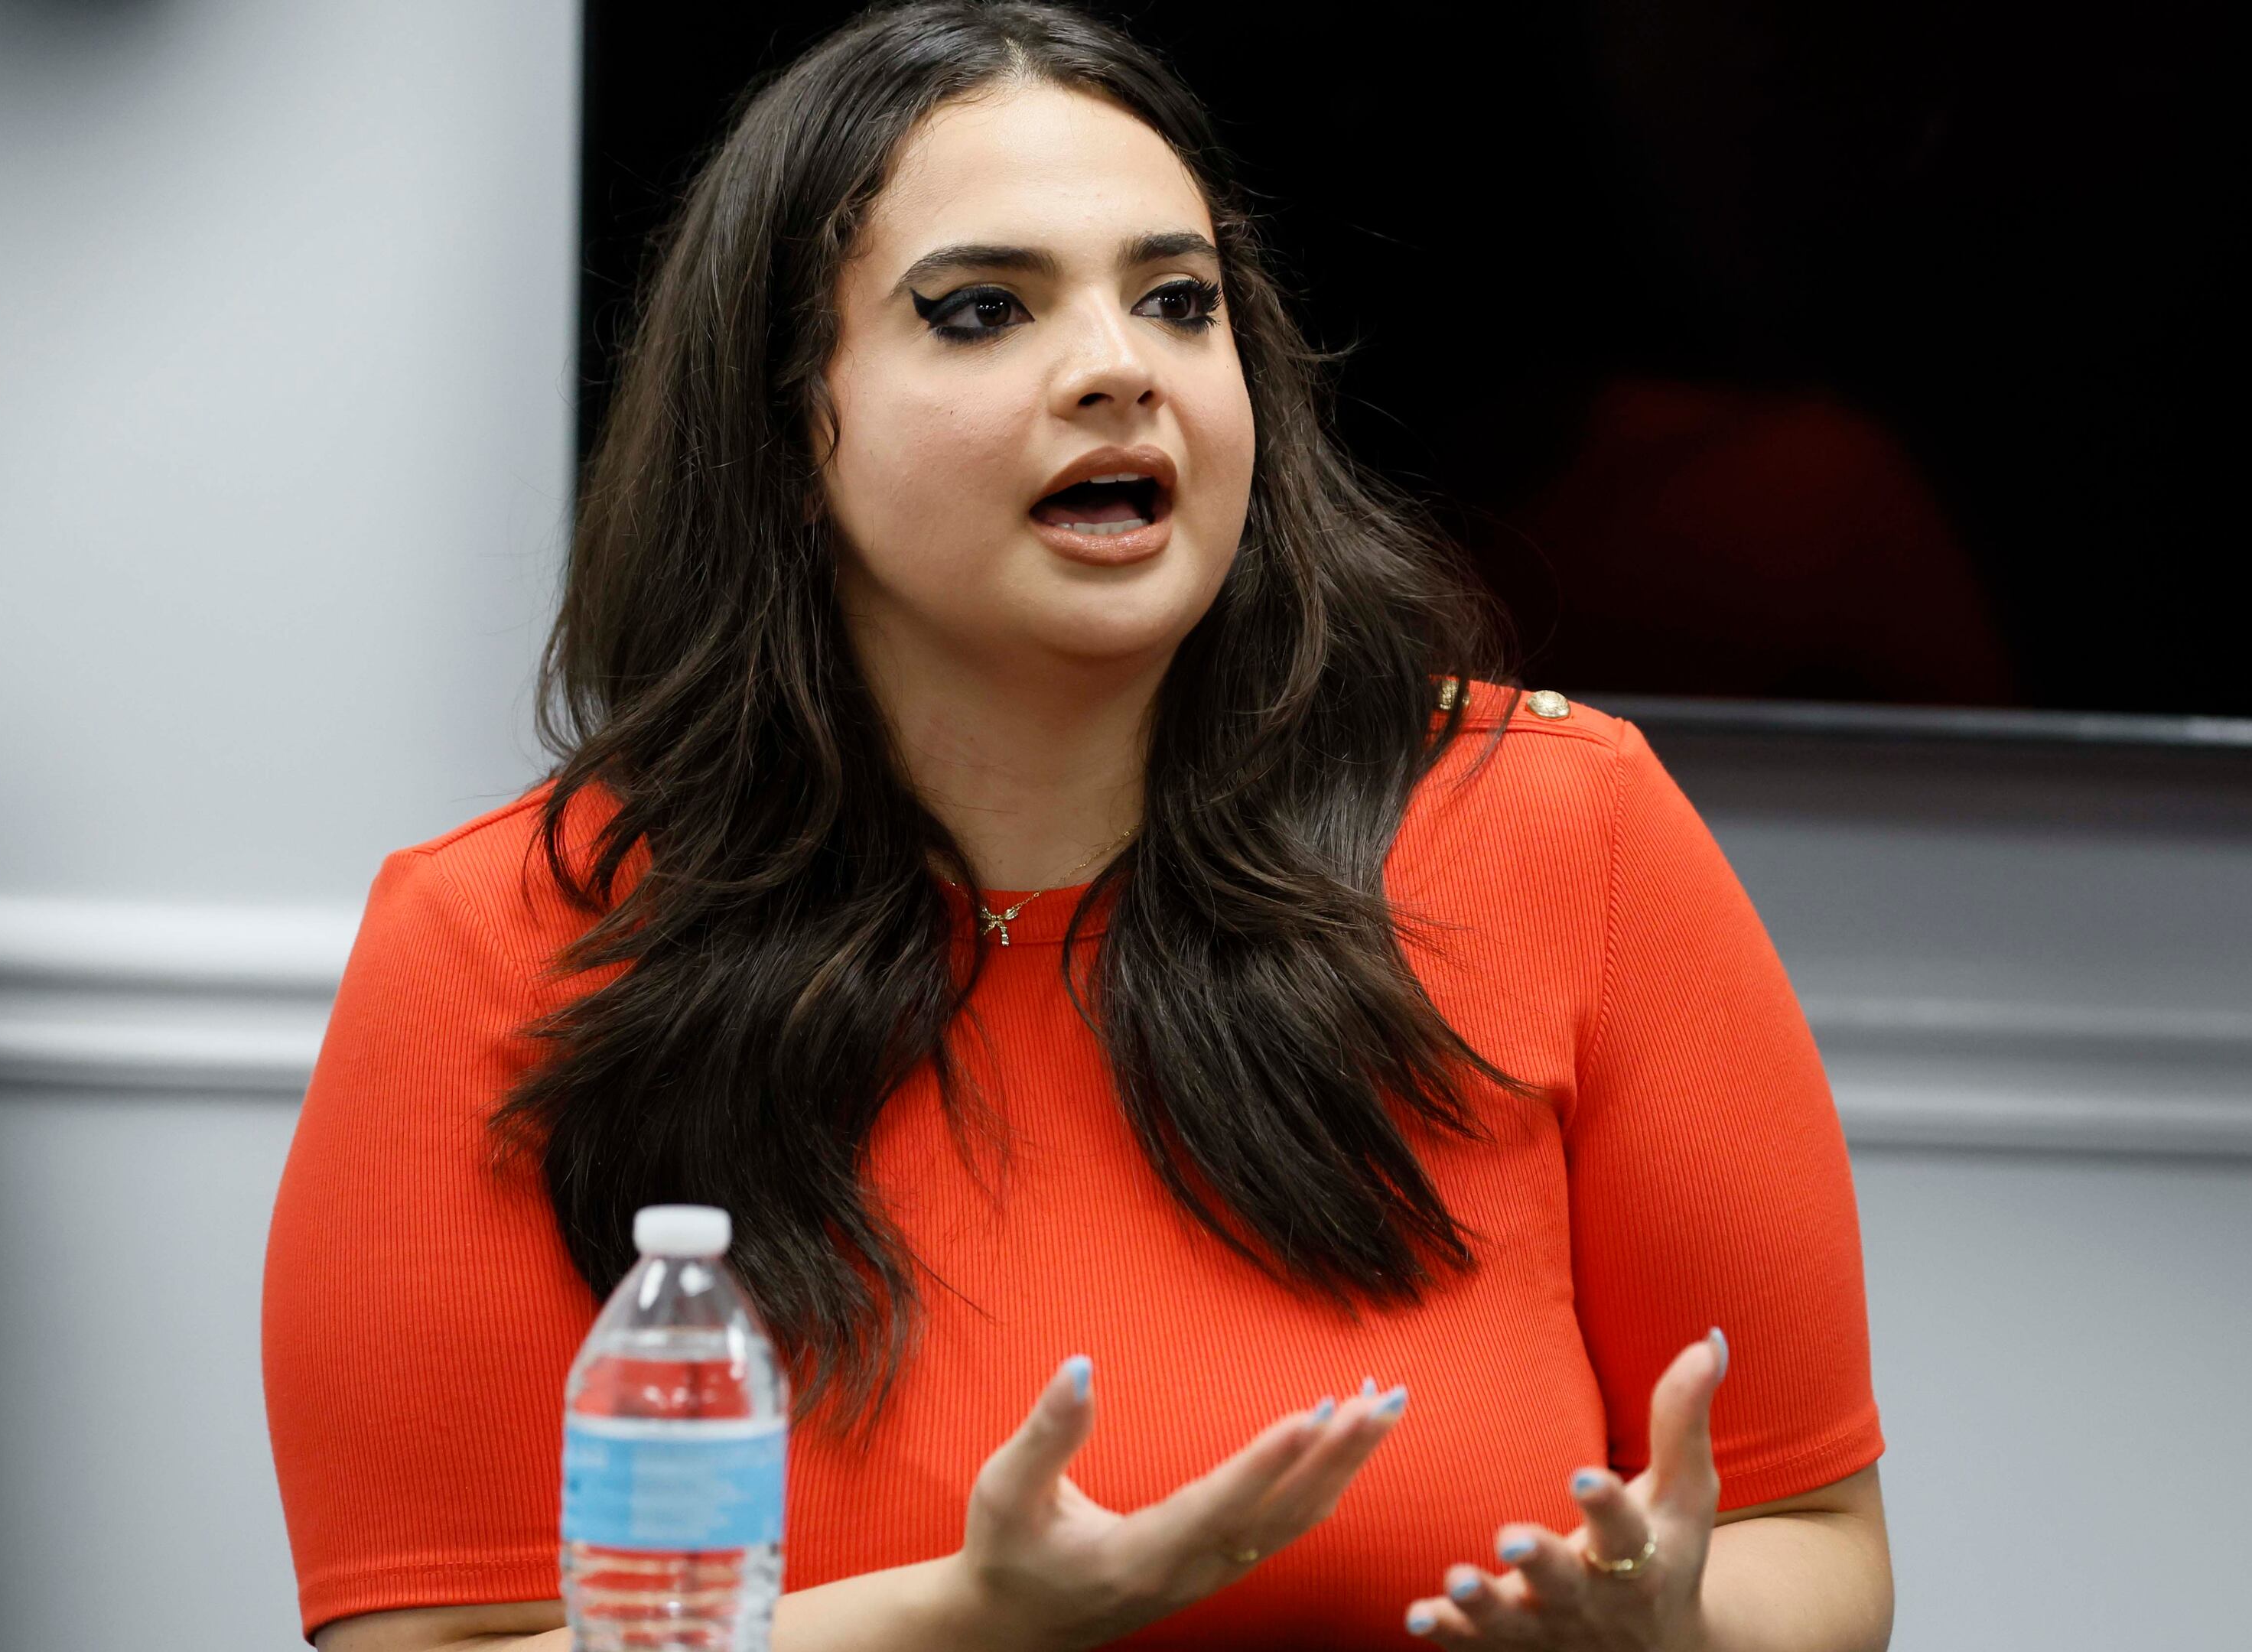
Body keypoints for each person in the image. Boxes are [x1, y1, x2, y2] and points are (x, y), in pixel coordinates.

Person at [258, 5, 1890, 1648]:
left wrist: (1676, 1633)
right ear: (783, 426)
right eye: (982, 310)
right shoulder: (497, 942)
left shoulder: (1567, 825)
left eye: (1179, 301)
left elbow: (1811, 1539)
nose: (1122, 366)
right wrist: (961, 1617)